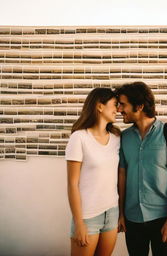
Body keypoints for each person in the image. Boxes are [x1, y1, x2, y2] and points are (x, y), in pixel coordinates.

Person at [116, 81, 167, 256]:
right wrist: (121, 214)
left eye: (123, 104)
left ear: (139, 106)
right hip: (132, 219)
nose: (119, 110)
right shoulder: (124, 137)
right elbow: (122, 176)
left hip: (163, 219)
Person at [65, 88, 120, 256]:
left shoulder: (117, 137)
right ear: (99, 106)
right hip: (88, 215)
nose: (118, 109)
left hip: (112, 212)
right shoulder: (79, 138)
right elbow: (72, 184)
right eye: (115, 105)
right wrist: (79, 222)